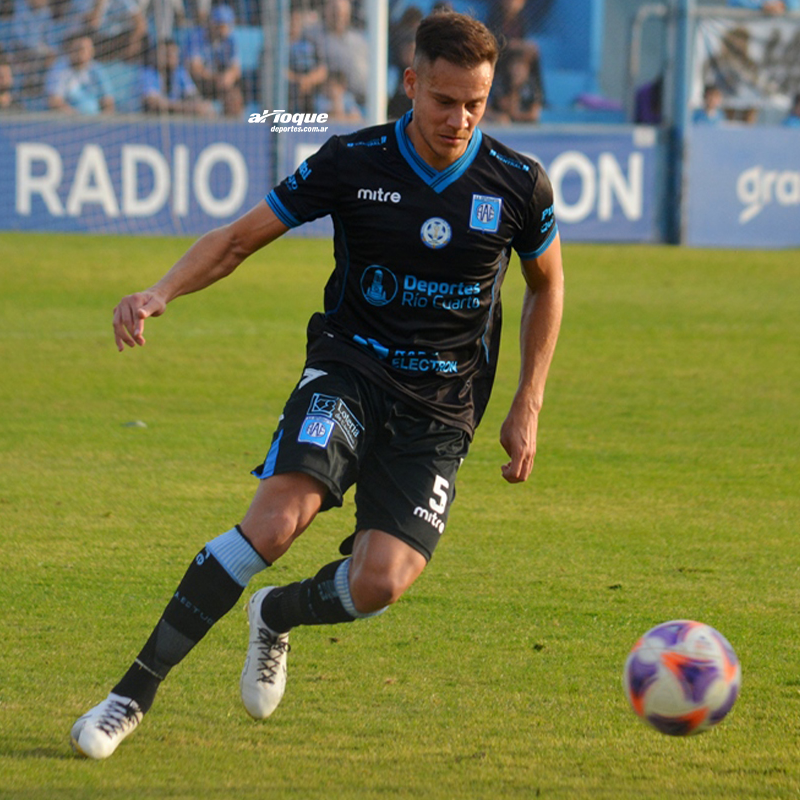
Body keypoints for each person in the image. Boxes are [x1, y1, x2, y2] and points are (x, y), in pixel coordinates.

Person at [70, 10, 564, 761]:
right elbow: (239, 239)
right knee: (273, 524)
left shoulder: (519, 183)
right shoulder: (352, 161)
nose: (460, 119)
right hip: (350, 368)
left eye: (476, 103)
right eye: (444, 100)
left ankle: (277, 614)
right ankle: (129, 695)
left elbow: (547, 285)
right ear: (411, 83)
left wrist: (527, 404)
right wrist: (160, 291)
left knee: (381, 583)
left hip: (440, 406)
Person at [309, 0, 369, 114]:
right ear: (326, 11)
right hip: (324, 97)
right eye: (334, 13)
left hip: (357, 100)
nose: (338, 17)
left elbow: (365, 78)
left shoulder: (359, 42)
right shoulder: (313, 37)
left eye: (342, 14)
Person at [185, 3, 242, 115]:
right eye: (219, 26)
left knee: (235, 95)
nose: (222, 30)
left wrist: (227, 77)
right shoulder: (197, 37)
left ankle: (232, 123)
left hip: (219, 82)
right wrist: (215, 78)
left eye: (225, 26)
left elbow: (236, 69)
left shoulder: (230, 40)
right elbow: (195, 69)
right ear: (212, 24)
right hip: (199, 83)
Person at [45, 29, 115, 113]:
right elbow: (55, 102)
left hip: (96, 121)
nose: (83, 53)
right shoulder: (59, 69)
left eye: (87, 49)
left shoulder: (97, 70)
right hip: (68, 121)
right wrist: (77, 119)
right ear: (70, 50)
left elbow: (108, 101)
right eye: (79, 49)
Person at [141, 37, 214, 115]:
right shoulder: (148, 73)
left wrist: (200, 105)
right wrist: (185, 107)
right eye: (167, 54)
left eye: (174, 54)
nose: (171, 57)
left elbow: (193, 96)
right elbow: (153, 103)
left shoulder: (180, 72)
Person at [487, 40, 542, 123]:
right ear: (509, 68)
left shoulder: (532, 87)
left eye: (522, 68)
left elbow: (534, 114)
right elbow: (509, 110)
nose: (518, 71)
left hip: (525, 123)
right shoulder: (501, 84)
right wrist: (515, 88)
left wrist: (521, 116)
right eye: (515, 67)